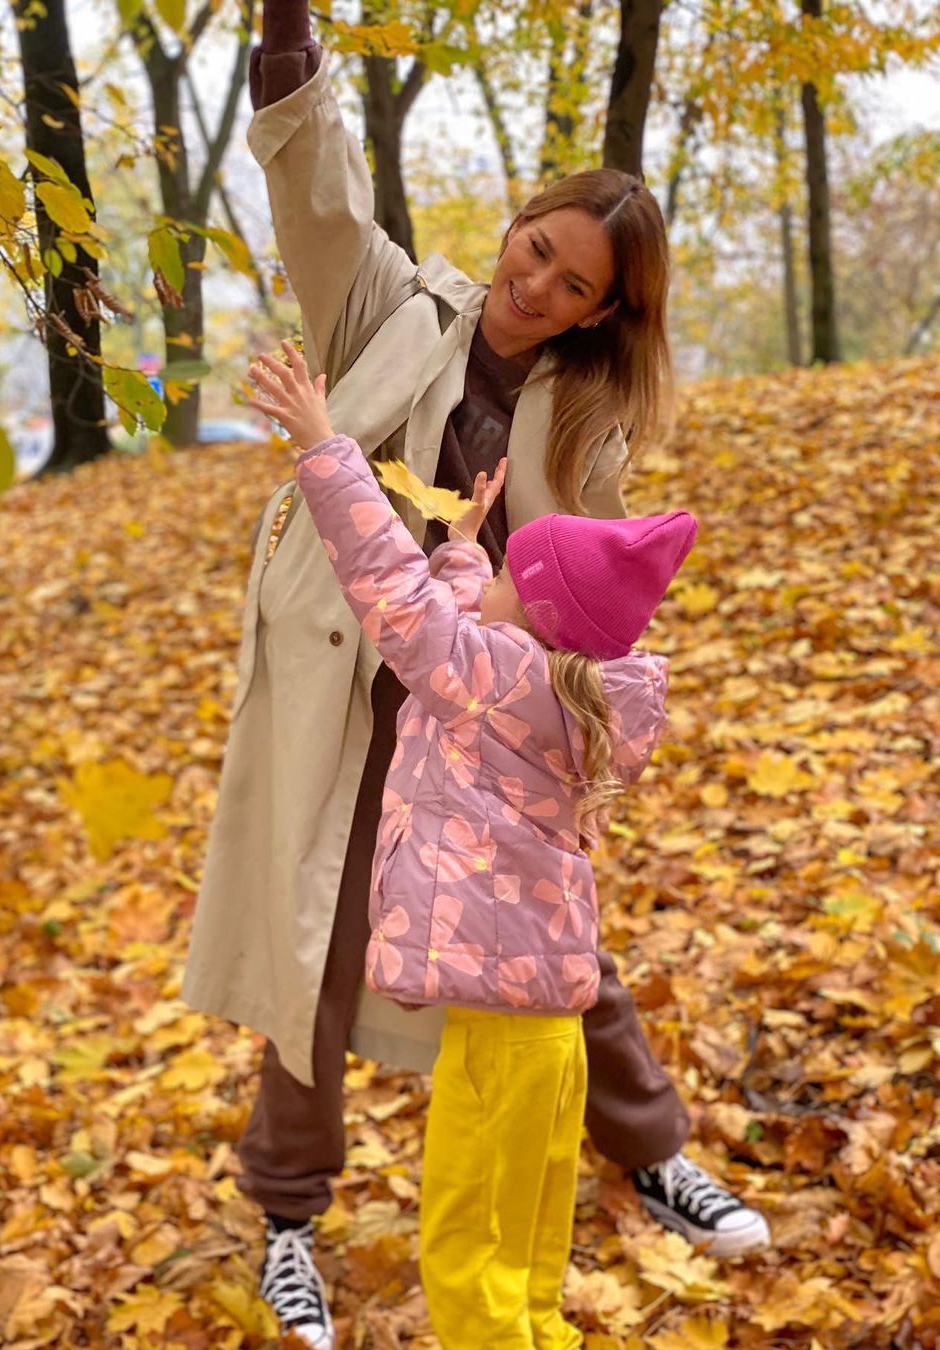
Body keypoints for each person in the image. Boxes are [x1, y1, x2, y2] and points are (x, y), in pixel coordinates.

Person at [181, 3, 770, 1343]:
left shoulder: (589, 406)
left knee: (564, 952)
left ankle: (653, 1149)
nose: (537, 285)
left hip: (490, 707)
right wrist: (288, 40)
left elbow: (594, 583)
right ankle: (288, 1218)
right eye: (536, 248)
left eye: (574, 283)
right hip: (350, 692)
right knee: (318, 940)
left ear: (606, 308)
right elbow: (318, 192)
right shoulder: (391, 302)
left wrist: (567, 711)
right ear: (514, 225)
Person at [245, 341, 696, 1347]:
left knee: (462, 1249)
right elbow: (458, 604)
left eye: (510, 578)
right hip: (552, 1040)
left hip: (497, 1043)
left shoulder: (486, 676)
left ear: (530, 620)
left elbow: (392, 593)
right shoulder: (560, 689)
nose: (489, 582)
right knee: (528, 1250)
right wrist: (474, 546)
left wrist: (326, 448)